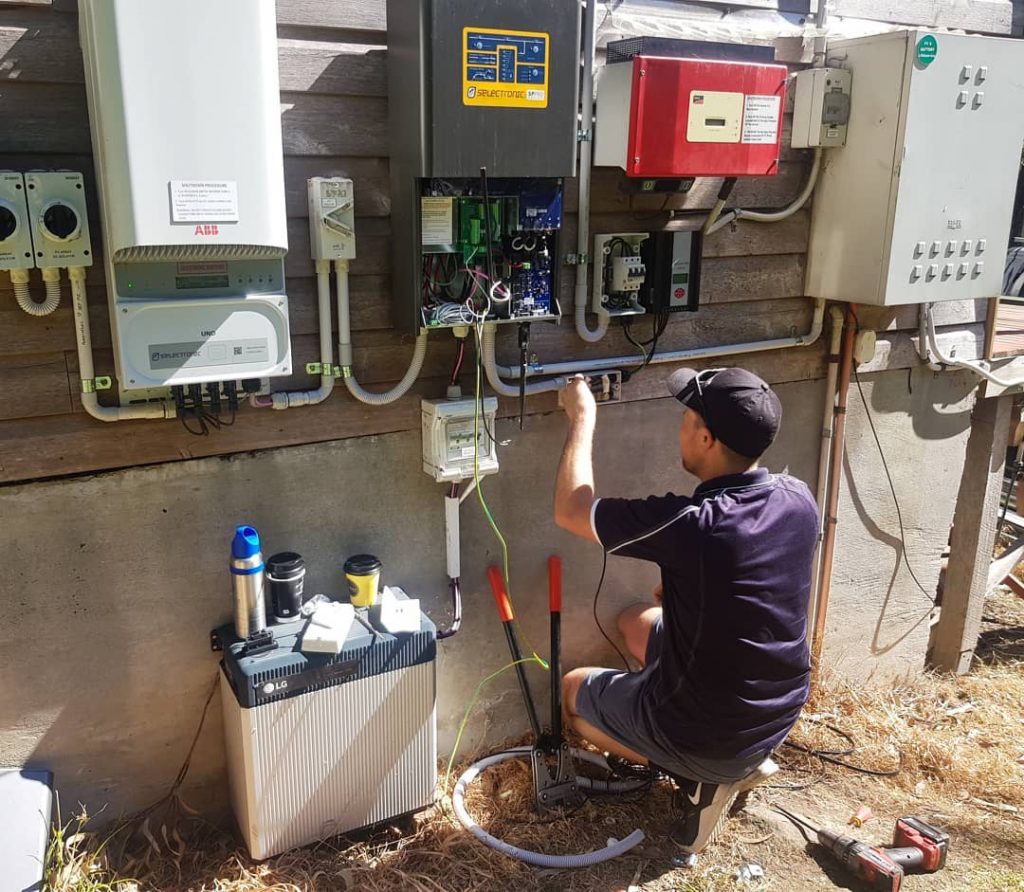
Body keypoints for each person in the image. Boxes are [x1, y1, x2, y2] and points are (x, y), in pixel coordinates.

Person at [553, 367, 819, 852]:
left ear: (706, 437)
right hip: (775, 712)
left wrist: (581, 414)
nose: (679, 426)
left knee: (573, 692)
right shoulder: (798, 497)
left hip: (707, 731)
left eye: (686, 416)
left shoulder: (694, 524)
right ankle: (736, 756)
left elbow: (571, 509)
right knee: (633, 618)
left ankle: (696, 774)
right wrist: (684, 587)